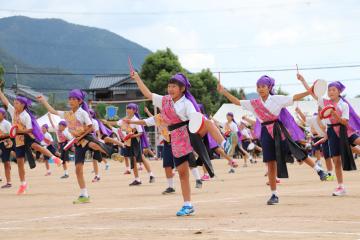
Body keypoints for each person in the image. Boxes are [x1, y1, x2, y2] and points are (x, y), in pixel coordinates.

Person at [218, 75, 328, 205]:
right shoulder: (254, 103)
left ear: (269, 87)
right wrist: (224, 91)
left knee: (296, 150)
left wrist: (309, 91)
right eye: (258, 87)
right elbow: (236, 101)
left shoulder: (277, 99)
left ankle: (319, 170)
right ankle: (274, 194)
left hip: (278, 129)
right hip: (265, 132)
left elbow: (294, 97)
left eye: (263, 86)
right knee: (270, 162)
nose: (260, 89)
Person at [37, 89, 113, 204]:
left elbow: (90, 127)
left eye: (73, 99)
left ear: (79, 101)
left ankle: (111, 153)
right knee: (78, 170)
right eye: (70, 99)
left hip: (86, 137)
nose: (71, 101)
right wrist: (43, 101)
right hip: (77, 142)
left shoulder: (83, 113)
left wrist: (81, 136)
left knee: (92, 144)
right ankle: (84, 194)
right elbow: (53, 111)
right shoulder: (67, 114)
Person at [297, 74, 360, 196]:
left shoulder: (344, 105)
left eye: (333, 90)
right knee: (336, 160)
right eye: (329, 90)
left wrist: (336, 115)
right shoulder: (324, 101)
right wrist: (303, 80)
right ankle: (341, 186)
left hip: (344, 130)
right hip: (332, 132)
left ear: (339, 92)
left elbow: (345, 122)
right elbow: (312, 92)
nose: (330, 92)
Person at [0, 91, 62, 194]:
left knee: (36, 146)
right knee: (20, 163)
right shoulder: (13, 111)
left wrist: (17, 131)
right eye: (14, 103)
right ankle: (23, 184)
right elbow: (5, 101)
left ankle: (55, 158)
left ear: (23, 105)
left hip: (27, 136)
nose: (14, 104)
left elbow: (29, 130)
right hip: (18, 140)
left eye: (17, 103)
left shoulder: (26, 116)